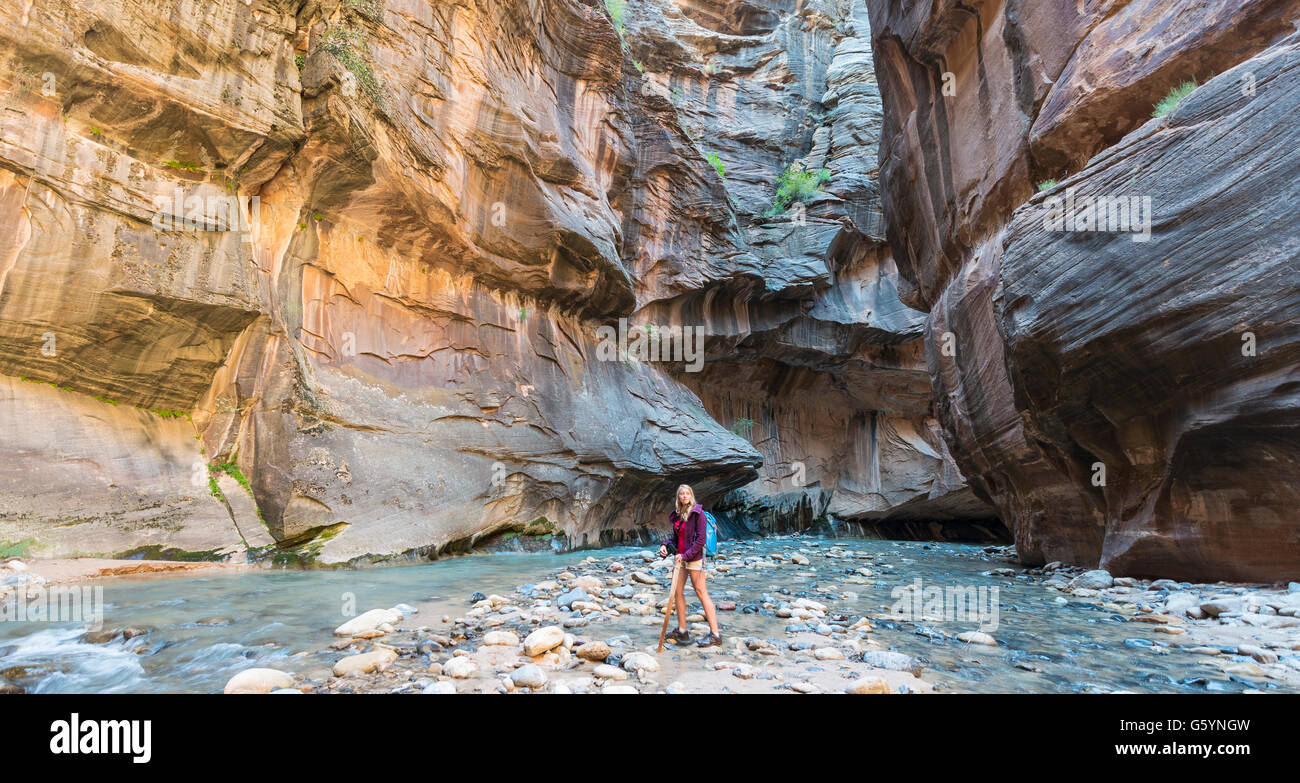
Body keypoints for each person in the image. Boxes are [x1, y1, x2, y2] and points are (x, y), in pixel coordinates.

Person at [657, 483, 722, 647]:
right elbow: (676, 538)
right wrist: (665, 545)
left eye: (687, 493)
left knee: (701, 592)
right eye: (681, 494)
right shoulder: (678, 515)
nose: (684, 496)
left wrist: (685, 556)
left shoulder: (697, 514)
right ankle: (683, 631)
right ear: (678, 497)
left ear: (691, 496)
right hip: (680, 560)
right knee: (678, 593)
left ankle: (715, 635)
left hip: (694, 559)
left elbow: (700, 540)